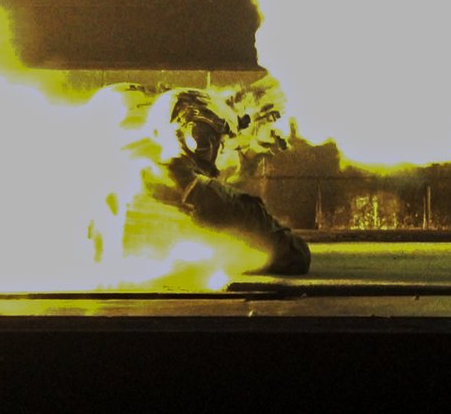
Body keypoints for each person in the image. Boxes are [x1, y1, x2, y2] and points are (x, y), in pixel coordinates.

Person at [100, 82, 311, 275]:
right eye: (215, 138)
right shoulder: (231, 205)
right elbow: (296, 256)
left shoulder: (121, 180)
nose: (219, 148)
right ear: (199, 139)